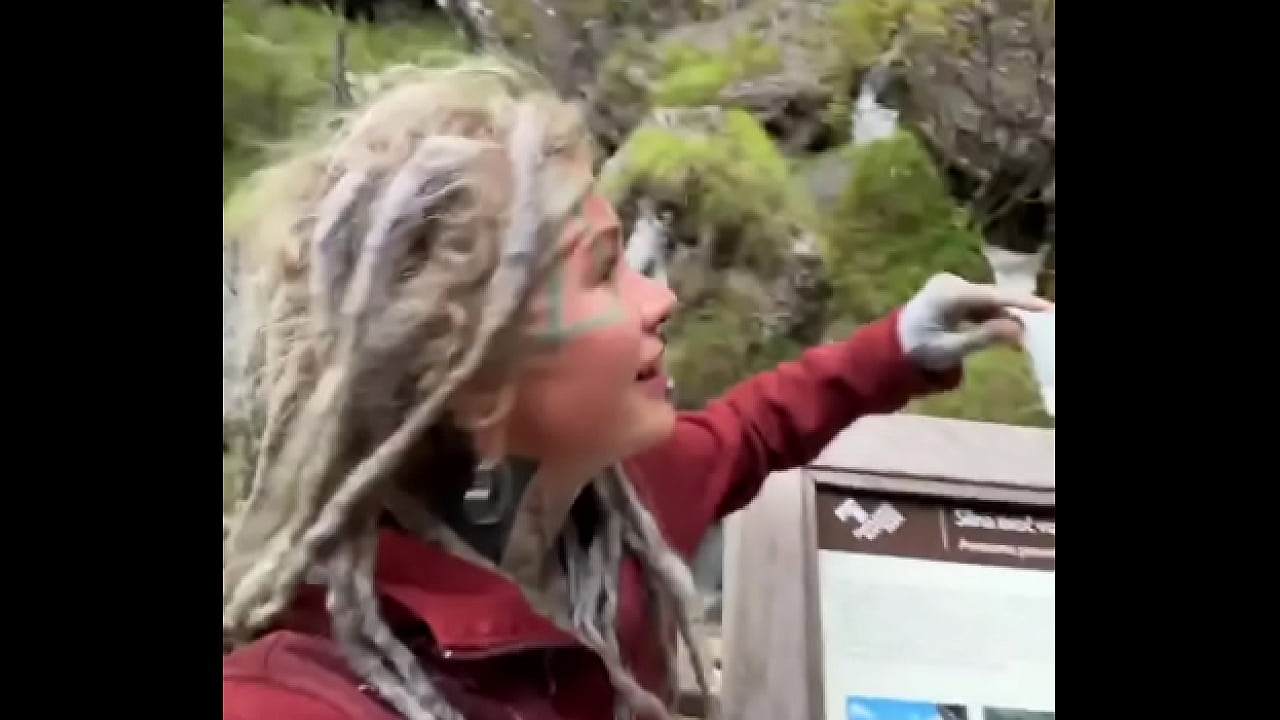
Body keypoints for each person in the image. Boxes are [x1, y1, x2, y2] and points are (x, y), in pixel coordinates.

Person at [221, 59, 1051, 720]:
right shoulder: (284, 700)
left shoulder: (606, 503)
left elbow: (749, 431)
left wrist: (900, 346)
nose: (661, 297)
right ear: (471, 380)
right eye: (603, 269)